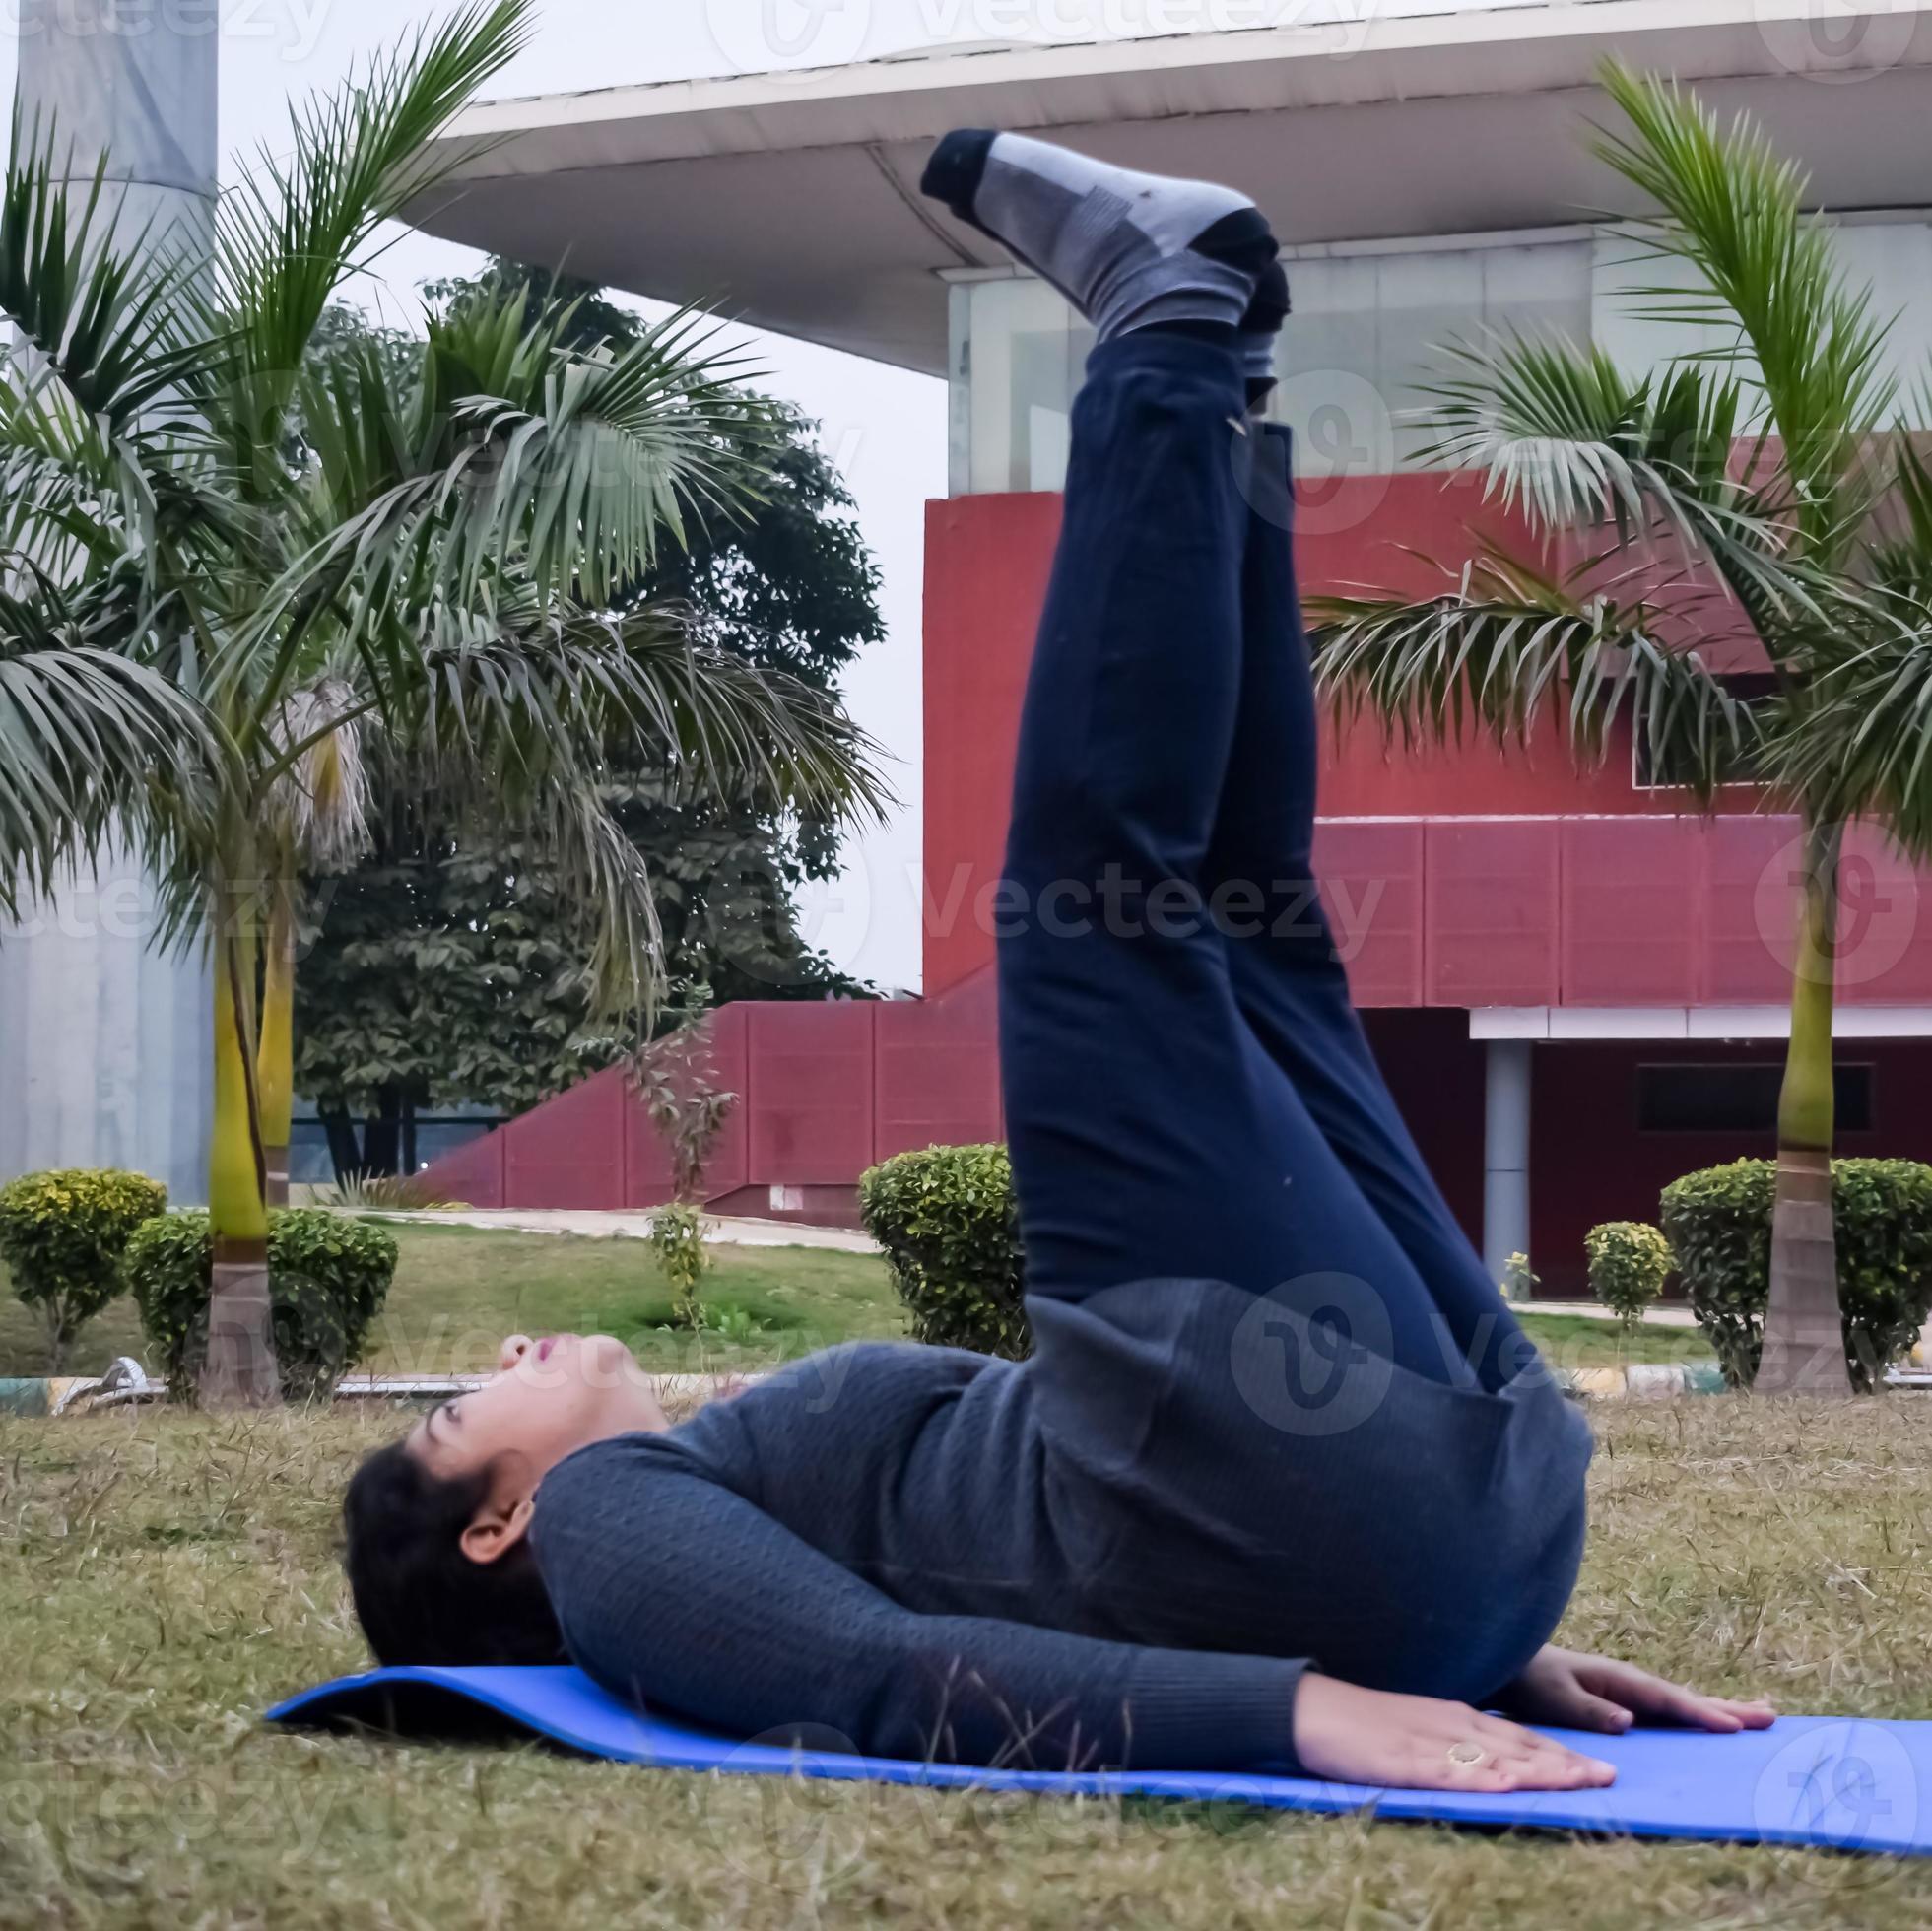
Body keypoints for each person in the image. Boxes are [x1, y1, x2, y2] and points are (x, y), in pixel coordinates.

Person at [345, 132, 1775, 1792]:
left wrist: (1466, 1641)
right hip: (1324, 1531)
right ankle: (1162, 336)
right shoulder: (606, 1543)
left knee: (1245, 916)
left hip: (1419, 1533)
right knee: (1094, 907)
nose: (508, 1354)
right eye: (465, 1411)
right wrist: (1303, 1708)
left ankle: (1215, 383)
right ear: (495, 1531)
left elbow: (992, 1581)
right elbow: (862, 1673)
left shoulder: (722, 1485)